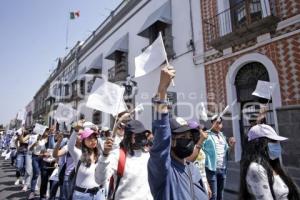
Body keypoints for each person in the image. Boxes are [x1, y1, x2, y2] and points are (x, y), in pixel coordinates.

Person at [148, 65, 208, 200]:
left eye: (189, 136)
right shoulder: (163, 170)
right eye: (182, 136)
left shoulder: (192, 168)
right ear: (171, 141)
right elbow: (161, 134)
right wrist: (162, 89)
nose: (187, 140)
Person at [95, 119, 153, 200]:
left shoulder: (147, 155)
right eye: (139, 134)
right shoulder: (117, 154)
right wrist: (105, 155)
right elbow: (99, 180)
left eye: (143, 134)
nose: (142, 137)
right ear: (129, 136)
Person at [239, 124, 300, 200]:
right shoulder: (256, 169)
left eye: (277, 142)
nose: (277, 145)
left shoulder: (274, 166)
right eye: (273, 141)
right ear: (260, 144)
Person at [68, 121, 104, 200]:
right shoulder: (79, 154)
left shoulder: (100, 156)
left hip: (99, 194)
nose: (93, 140)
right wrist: (75, 131)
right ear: (83, 140)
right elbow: (70, 146)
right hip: (82, 195)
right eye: (90, 138)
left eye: (95, 137)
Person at [202, 115, 235, 200]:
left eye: (219, 123)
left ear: (222, 125)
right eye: (215, 122)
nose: (217, 124)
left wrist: (231, 146)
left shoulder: (222, 136)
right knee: (213, 195)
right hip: (212, 169)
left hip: (223, 168)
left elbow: (226, 152)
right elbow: (201, 148)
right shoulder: (207, 135)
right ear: (212, 123)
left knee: (221, 195)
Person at [186, 120, 212, 199]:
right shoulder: (188, 146)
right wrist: (200, 141)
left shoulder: (200, 146)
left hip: (202, 182)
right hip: (193, 183)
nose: (200, 132)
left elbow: (202, 168)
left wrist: (207, 184)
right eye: (197, 130)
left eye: (200, 130)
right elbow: (189, 160)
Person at [28, 129, 50, 199]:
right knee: (36, 174)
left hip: (43, 158)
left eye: (47, 131)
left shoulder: (47, 139)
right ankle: (32, 192)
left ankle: (44, 192)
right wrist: (34, 144)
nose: (47, 132)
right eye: (46, 131)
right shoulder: (35, 137)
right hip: (35, 158)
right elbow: (30, 149)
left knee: (44, 176)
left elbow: (48, 150)